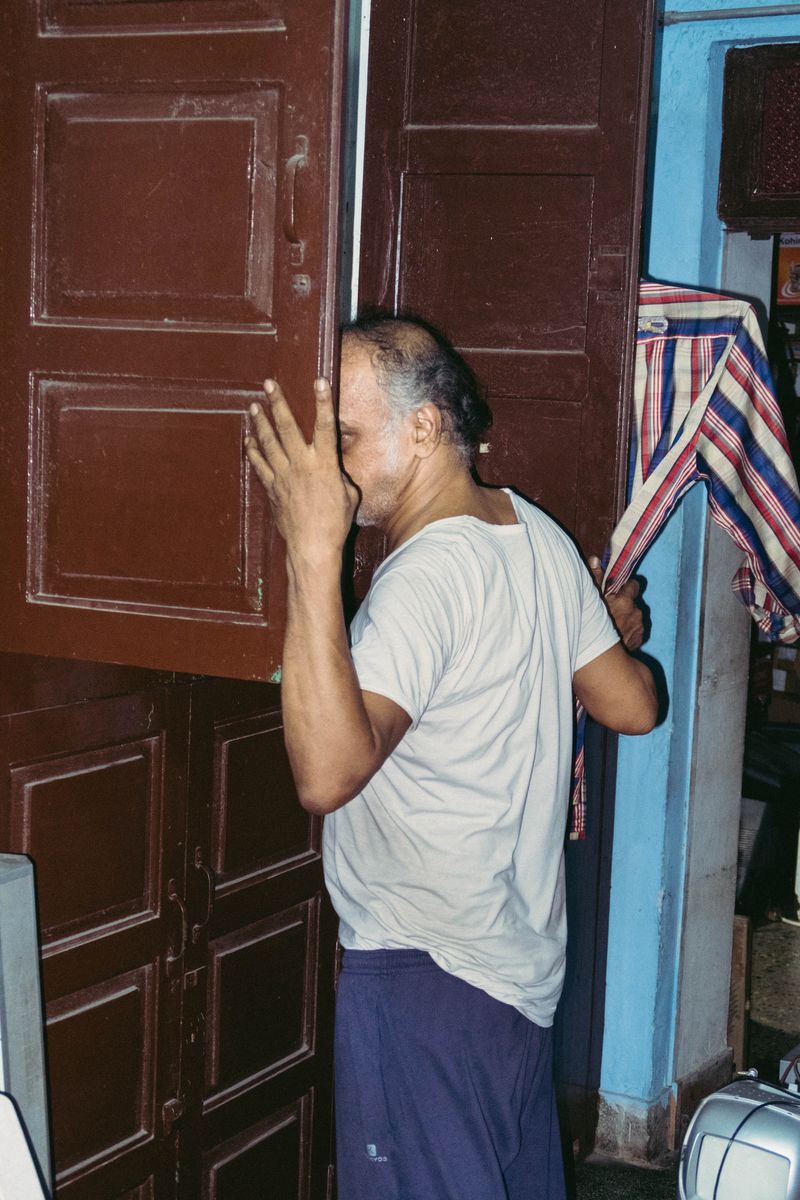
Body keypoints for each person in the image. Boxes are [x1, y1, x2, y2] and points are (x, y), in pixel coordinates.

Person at [244, 314, 657, 1200]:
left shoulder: (422, 580)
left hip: (423, 976)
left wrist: (314, 554)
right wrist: (627, 629)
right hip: (516, 980)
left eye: (344, 438)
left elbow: (325, 774)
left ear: (425, 428)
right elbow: (634, 704)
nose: (328, 469)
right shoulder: (533, 534)